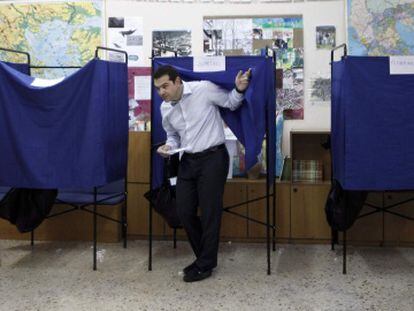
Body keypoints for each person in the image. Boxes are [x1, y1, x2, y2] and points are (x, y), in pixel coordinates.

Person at [154, 65, 251, 282]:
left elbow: (231, 103)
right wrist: (168, 147)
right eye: (159, 89)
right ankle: (204, 259)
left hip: (213, 158)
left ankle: (205, 264)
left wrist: (239, 89)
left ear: (177, 81)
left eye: (165, 86)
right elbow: (172, 135)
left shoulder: (203, 90)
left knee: (209, 213)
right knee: (184, 211)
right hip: (187, 160)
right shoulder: (164, 108)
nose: (162, 92)